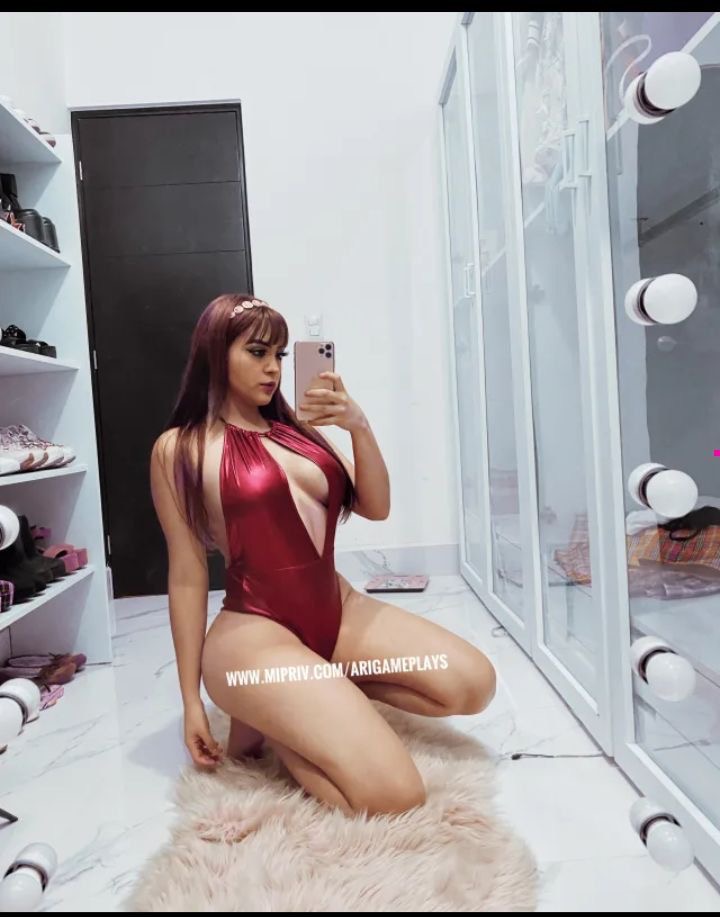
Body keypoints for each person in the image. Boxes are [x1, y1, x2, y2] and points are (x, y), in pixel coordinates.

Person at [150, 293, 497, 818]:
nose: (273, 368)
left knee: (472, 685)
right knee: (395, 795)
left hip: (337, 612)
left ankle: (312, 692)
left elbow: (376, 507)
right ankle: (280, 722)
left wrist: (358, 425)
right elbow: (186, 574)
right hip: (253, 637)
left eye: (280, 355)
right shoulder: (180, 448)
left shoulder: (299, 433)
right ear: (215, 354)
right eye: (257, 352)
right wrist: (191, 702)